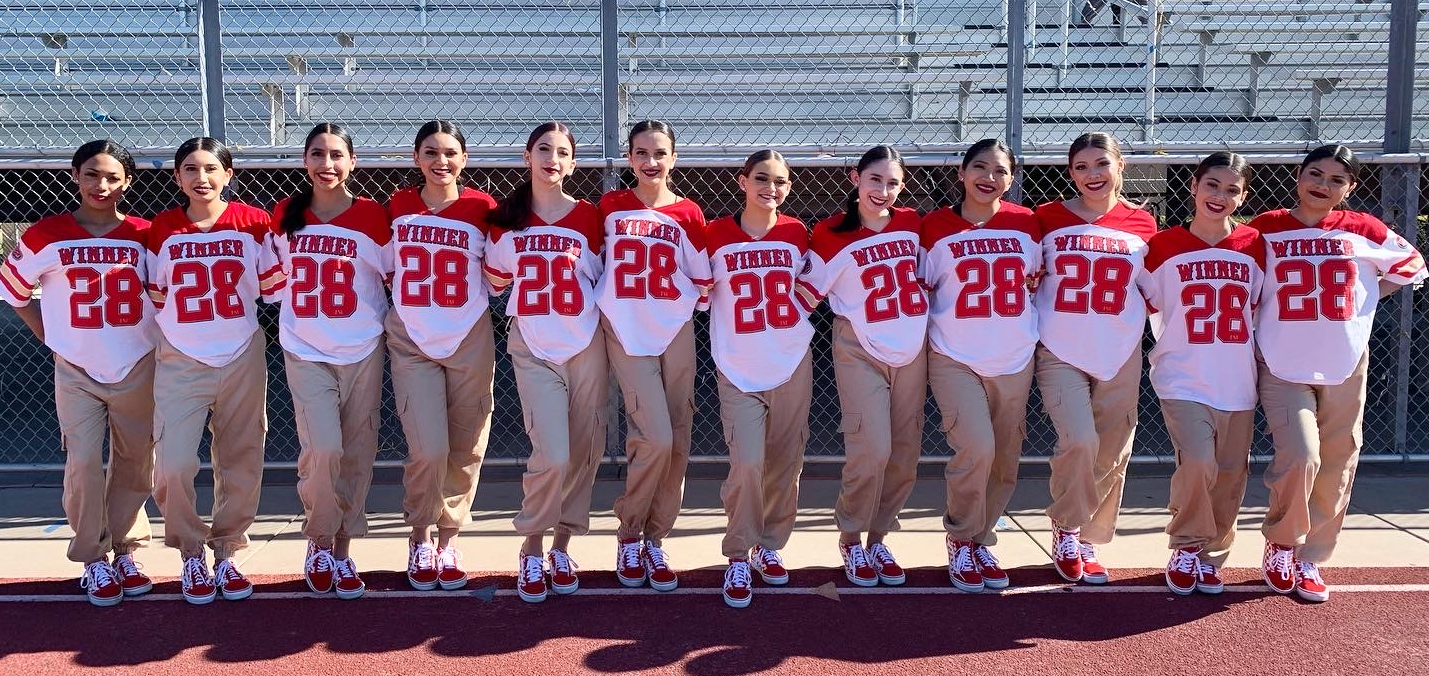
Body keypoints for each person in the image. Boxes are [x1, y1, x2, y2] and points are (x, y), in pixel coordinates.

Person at [1252, 144, 1427, 602]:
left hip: (1345, 361)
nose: (1322, 185)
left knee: (1339, 460)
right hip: (1282, 361)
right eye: (1315, 173)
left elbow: (1411, 266)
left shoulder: (1363, 228)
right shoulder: (1265, 228)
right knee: (1302, 455)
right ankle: (1282, 541)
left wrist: (1366, 300)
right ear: (1298, 176)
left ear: (1349, 188)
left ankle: (1311, 556)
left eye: (1335, 179)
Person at [1, 140, 157, 606]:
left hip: (137, 361)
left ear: (128, 182)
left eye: (112, 177)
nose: (102, 185)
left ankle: (128, 548)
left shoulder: (146, 234)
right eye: (92, 174)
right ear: (74, 175)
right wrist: (51, 336)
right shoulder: (45, 235)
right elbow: (14, 291)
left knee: (135, 463)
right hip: (78, 367)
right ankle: (92, 556)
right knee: (85, 462)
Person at [146, 137, 284, 604]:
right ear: (177, 177)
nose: (200, 177)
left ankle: (226, 550)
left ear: (228, 174)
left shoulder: (255, 222)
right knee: (175, 463)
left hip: (241, 351)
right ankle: (189, 550)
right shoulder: (160, 229)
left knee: (241, 458)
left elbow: (272, 288)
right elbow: (157, 296)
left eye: (210, 168)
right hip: (181, 355)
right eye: (190, 168)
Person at [484, 122, 608, 603]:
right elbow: (496, 282)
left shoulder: (592, 218)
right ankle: (532, 545)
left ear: (573, 163)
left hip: (585, 344)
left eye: (562, 152)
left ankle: (562, 545)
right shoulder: (507, 219)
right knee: (551, 453)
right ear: (527, 156)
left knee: (583, 450)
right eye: (543, 150)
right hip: (534, 344)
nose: (552, 158)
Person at [270, 123, 392, 600]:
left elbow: (393, 274)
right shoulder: (285, 214)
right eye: (317, 154)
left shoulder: (372, 216)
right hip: (305, 346)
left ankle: (342, 547)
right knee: (323, 449)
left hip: (362, 344)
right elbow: (273, 278)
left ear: (352, 162)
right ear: (305, 161)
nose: (327, 164)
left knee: (357, 452)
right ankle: (318, 540)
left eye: (337, 155)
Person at [1137, 151, 1263, 595]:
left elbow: (1266, 308)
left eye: (1232, 189)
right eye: (1212, 185)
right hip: (1183, 376)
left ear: (1243, 196)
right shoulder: (1162, 245)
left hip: (1238, 379)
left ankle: (1212, 553)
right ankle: (1186, 544)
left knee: (1230, 473)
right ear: (1193, 185)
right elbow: (1143, 300)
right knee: (1197, 462)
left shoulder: (1255, 245)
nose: (1220, 196)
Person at [801, 145, 928, 587]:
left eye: (893, 183)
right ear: (855, 178)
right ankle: (852, 536)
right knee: (871, 448)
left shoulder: (913, 225)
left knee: (904, 455)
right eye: (875, 180)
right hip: (857, 344)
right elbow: (804, 294)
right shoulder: (831, 232)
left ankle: (879, 537)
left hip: (912, 348)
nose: (884, 190)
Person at [1033, 131, 1156, 584]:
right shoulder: (1045, 218)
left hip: (1120, 348)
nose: (1093, 175)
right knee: (1079, 440)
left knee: (1112, 449)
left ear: (1120, 167)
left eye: (1101, 164)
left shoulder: (1144, 224)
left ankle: (1089, 536)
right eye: (1082, 167)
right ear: (1070, 173)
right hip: (1060, 347)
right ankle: (1066, 526)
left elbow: (1154, 287)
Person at [597, 120, 712, 592]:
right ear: (628, 158)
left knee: (678, 439)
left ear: (674, 158)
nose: (651, 162)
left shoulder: (688, 212)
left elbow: (702, 279)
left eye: (660, 153)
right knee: (655, 437)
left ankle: (656, 538)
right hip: (626, 332)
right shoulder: (608, 207)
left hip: (674, 329)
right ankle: (629, 532)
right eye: (641, 153)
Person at [921, 139, 1040, 592]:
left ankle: (981, 539)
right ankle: (960, 536)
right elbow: (925, 286)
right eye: (979, 167)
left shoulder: (1028, 223)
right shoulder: (934, 226)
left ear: (1011, 179)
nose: (988, 177)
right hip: (955, 355)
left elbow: (1039, 277)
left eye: (1000, 171)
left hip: (1013, 356)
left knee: (1005, 457)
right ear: (962, 173)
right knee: (977, 448)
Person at [386, 120, 497, 592]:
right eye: (430, 152)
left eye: (450, 152)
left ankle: (449, 538)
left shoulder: (482, 207)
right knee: (427, 447)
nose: (440, 161)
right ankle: (419, 535)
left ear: (464, 159)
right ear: (416, 159)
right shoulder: (396, 206)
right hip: (411, 335)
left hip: (468, 332)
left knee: (466, 443)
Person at [705, 150, 814, 607]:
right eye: (762, 179)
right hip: (738, 365)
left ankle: (769, 546)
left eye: (781, 182)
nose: (772, 188)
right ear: (742, 181)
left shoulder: (797, 233)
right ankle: (737, 551)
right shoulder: (713, 235)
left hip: (791, 361)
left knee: (786, 465)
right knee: (748, 463)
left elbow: (811, 289)